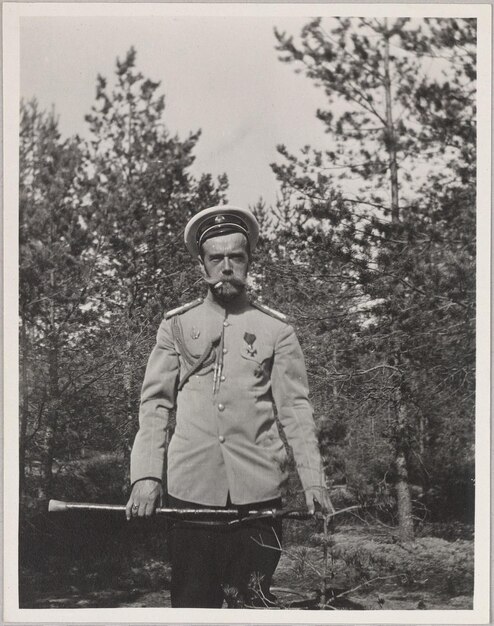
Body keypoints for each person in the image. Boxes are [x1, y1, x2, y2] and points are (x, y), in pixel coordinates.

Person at [126, 205, 333, 608]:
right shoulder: (177, 326)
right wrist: (146, 475)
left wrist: (314, 480)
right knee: (192, 605)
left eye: (235, 257)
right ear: (202, 266)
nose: (225, 267)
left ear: (248, 262)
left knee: (253, 605)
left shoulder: (276, 330)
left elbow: (295, 408)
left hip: (259, 495)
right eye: (215, 258)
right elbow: (155, 403)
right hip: (192, 494)